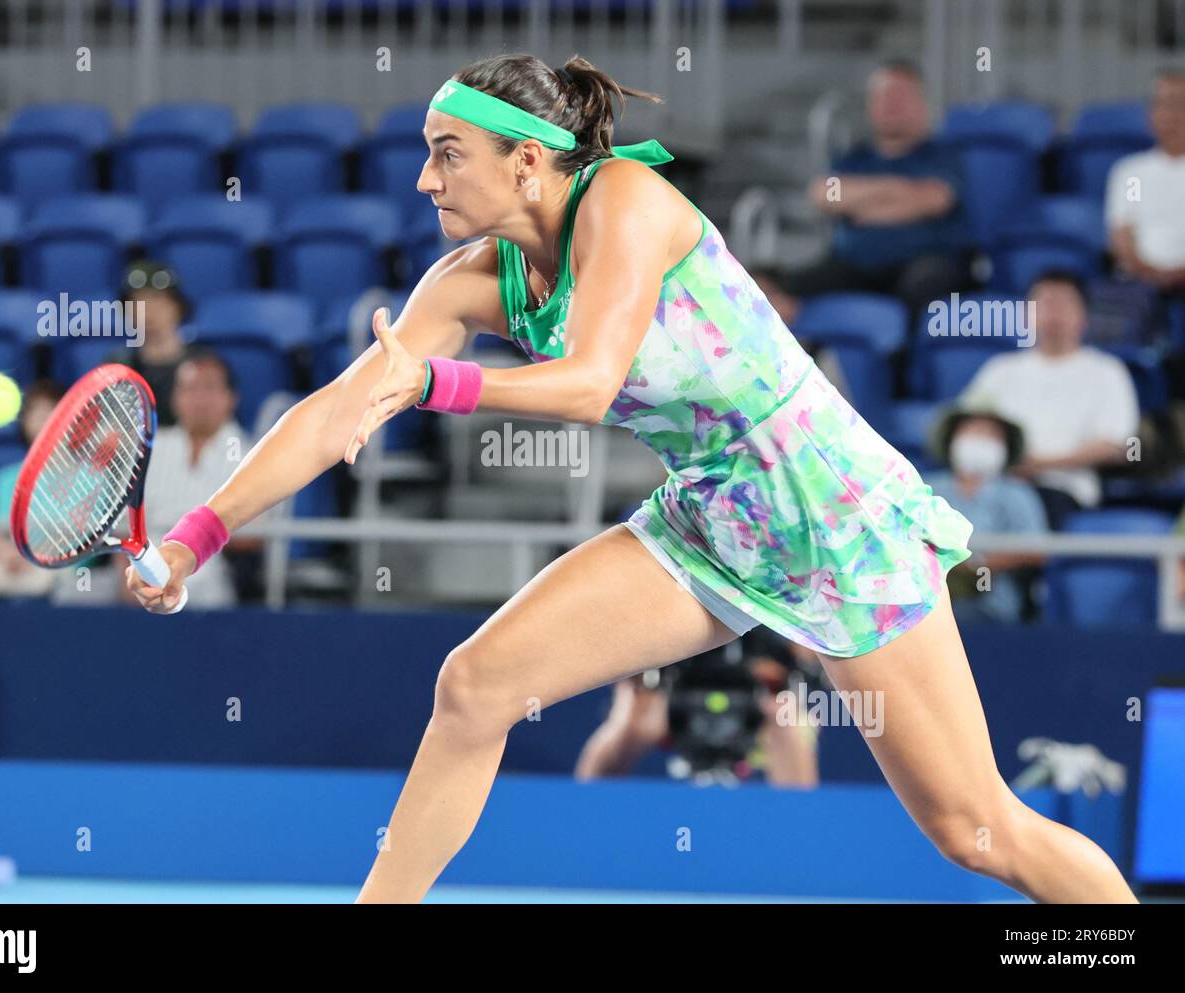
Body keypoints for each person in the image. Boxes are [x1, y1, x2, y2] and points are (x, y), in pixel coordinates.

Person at [127, 54, 1136, 904]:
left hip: (834, 515)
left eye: (447, 154)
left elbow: (588, 381)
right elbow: (328, 415)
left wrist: (429, 381)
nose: (426, 182)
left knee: (977, 833)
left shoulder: (627, 199)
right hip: (711, 519)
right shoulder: (468, 281)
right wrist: (192, 539)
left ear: (528, 161)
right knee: (474, 686)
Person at [757, 59, 973, 325]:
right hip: (853, 264)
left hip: (922, 263)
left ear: (921, 103)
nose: (891, 104)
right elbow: (823, 195)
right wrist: (900, 190)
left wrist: (862, 204)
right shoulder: (854, 158)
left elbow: (933, 200)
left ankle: (907, 362)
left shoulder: (941, 155)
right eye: (884, 96)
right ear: (871, 105)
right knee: (765, 283)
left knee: (927, 285)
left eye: (901, 95)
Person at [958, 271, 1140, 528]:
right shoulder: (1000, 370)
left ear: (1083, 316)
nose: (1054, 312)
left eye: (1064, 303)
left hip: (1061, 489)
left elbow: (1114, 445)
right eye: (1044, 302)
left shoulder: (1107, 371)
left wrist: (1036, 465)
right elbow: (964, 425)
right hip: (992, 484)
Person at [576, 629, 821, 787]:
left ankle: (799, 822)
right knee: (638, 719)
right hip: (675, 688)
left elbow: (809, 653)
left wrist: (799, 652)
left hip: (756, 702)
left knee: (783, 715)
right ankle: (587, 806)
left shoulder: (774, 575)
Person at [138, 350, 258, 609]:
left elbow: (253, 537)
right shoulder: (151, 449)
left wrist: (192, 544)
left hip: (211, 568)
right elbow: (129, 522)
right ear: (175, 398)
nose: (199, 398)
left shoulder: (251, 454)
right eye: (189, 388)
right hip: (143, 564)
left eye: (210, 388)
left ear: (231, 398)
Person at [924, 409, 1048, 624]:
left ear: (1005, 446)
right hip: (923, 600)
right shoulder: (926, 487)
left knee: (963, 616)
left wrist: (979, 566)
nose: (980, 440)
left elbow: (1037, 550)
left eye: (991, 435)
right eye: (972, 432)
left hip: (993, 604)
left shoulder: (1017, 493)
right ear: (952, 439)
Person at [0, 380, 65, 597]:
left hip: (61, 570)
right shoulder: (6, 478)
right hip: (12, 566)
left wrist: (36, 557)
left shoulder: (91, 476)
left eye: (51, 411)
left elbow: (83, 537)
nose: (43, 420)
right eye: (36, 413)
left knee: (49, 580)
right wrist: (6, 554)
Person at [1106, 69, 1185, 297]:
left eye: (1180, 104)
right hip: (1141, 284)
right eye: (1164, 104)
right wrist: (1149, 272)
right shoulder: (1133, 175)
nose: (1173, 115)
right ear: (1151, 113)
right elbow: (1123, 231)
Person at [108, 259, 191, 427]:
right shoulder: (118, 367)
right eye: (138, 303)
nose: (148, 312)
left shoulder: (202, 365)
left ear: (178, 307)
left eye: (157, 301)